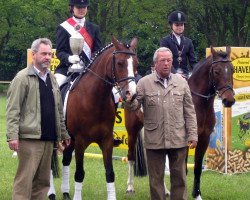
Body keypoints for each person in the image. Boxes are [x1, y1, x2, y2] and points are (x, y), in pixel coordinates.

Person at [125, 47, 198, 200]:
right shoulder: (144, 83)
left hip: (178, 139)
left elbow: (189, 111)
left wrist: (192, 134)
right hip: (154, 140)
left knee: (180, 180)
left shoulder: (182, 83)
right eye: (162, 61)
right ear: (155, 63)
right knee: (155, 181)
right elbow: (135, 106)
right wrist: (130, 101)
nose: (166, 64)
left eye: (169, 60)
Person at [6, 38, 71, 200]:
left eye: (50, 54)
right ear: (33, 55)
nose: (48, 57)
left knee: (43, 184)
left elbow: (58, 110)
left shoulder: (53, 79)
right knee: (25, 181)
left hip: (49, 140)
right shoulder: (22, 78)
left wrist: (63, 134)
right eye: (44, 54)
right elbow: (13, 110)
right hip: (30, 139)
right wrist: (12, 136)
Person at [54, 0, 102, 87]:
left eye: (84, 7)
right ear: (72, 8)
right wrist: (69, 58)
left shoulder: (95, 29)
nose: (81, 10)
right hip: (67, 69)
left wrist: (90, 62)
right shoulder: (63, 28)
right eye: (78, 7)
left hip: (89, 70)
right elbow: (59, 52)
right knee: (54, 88)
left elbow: (98, 51)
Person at [160, 10, 197, 79]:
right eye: (177, 25)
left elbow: (193, 61)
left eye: (181, 25)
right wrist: (175, 73)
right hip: (170, 75)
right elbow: (165, 60)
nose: (180, 27)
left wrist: (198, 71)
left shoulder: (189, 42)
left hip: (185, 75)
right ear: (171, 25)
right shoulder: (165, 41)